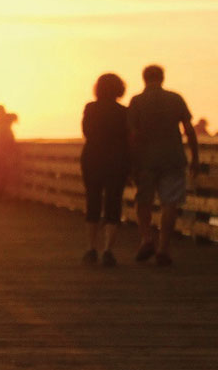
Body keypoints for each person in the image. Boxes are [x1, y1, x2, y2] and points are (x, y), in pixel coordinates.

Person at [127, 64, 200, 266]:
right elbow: (189, 130)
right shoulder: (175, 98)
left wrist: (131, 163)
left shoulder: (137, 101)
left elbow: (132, 135)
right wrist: (195, 157)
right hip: (173, 158)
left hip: (145, 160)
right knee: (170, 203)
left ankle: (147, 238)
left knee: (144, 201)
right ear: (162, 78)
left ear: (144, 79)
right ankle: (163, 248)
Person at [80, 73, 131, 267]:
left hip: (92, 158)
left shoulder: (90, 108)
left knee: (92, 201)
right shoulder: (124, 111)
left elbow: (85, 132)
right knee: (113, 203)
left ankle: (91, 248)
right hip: (117, 160)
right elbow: (129, 138)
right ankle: (108, 250)